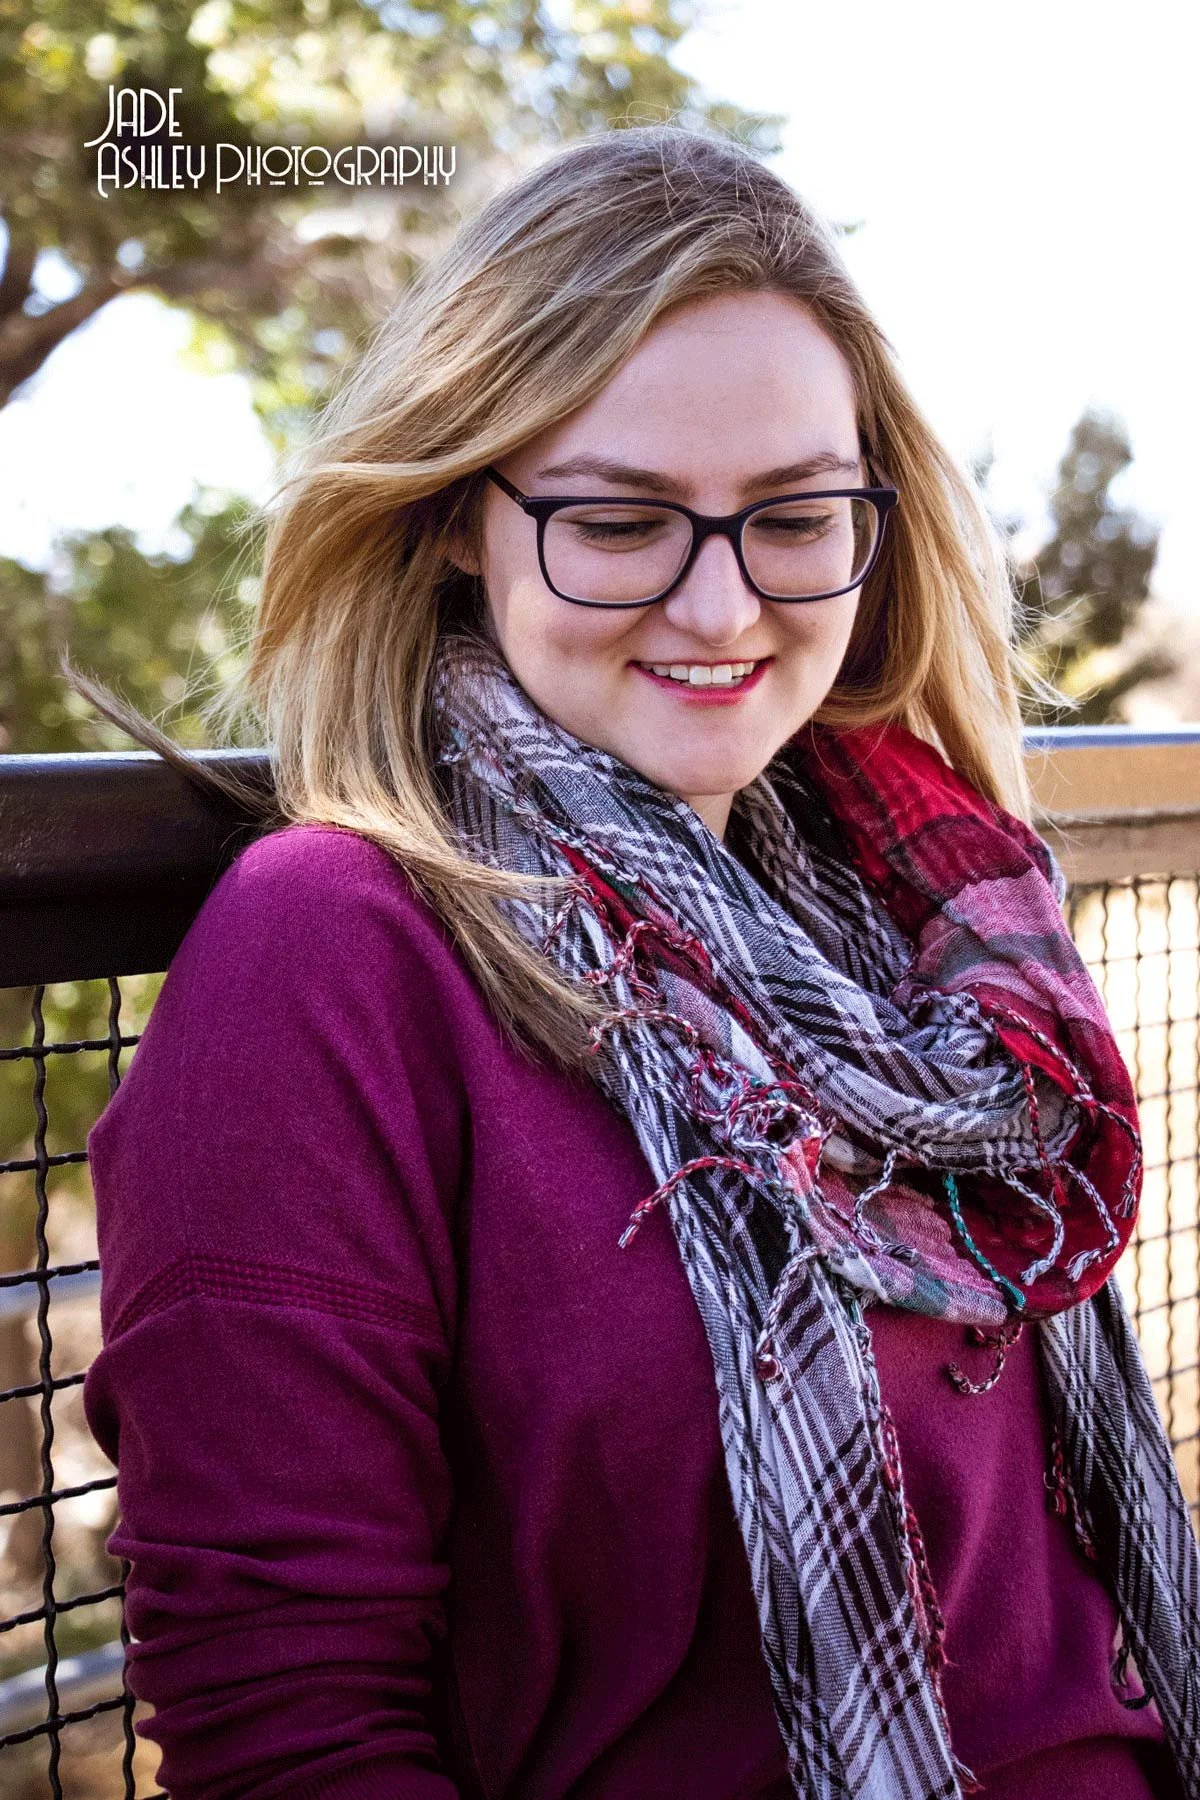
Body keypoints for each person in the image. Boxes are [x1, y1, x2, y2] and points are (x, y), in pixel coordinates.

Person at [80, 125, 1200, 1800]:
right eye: (619, 523)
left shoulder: (925, 922)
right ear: (462, 517)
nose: (720, 606)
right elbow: (290, 1732)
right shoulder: (332, 954)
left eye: (792, 516)